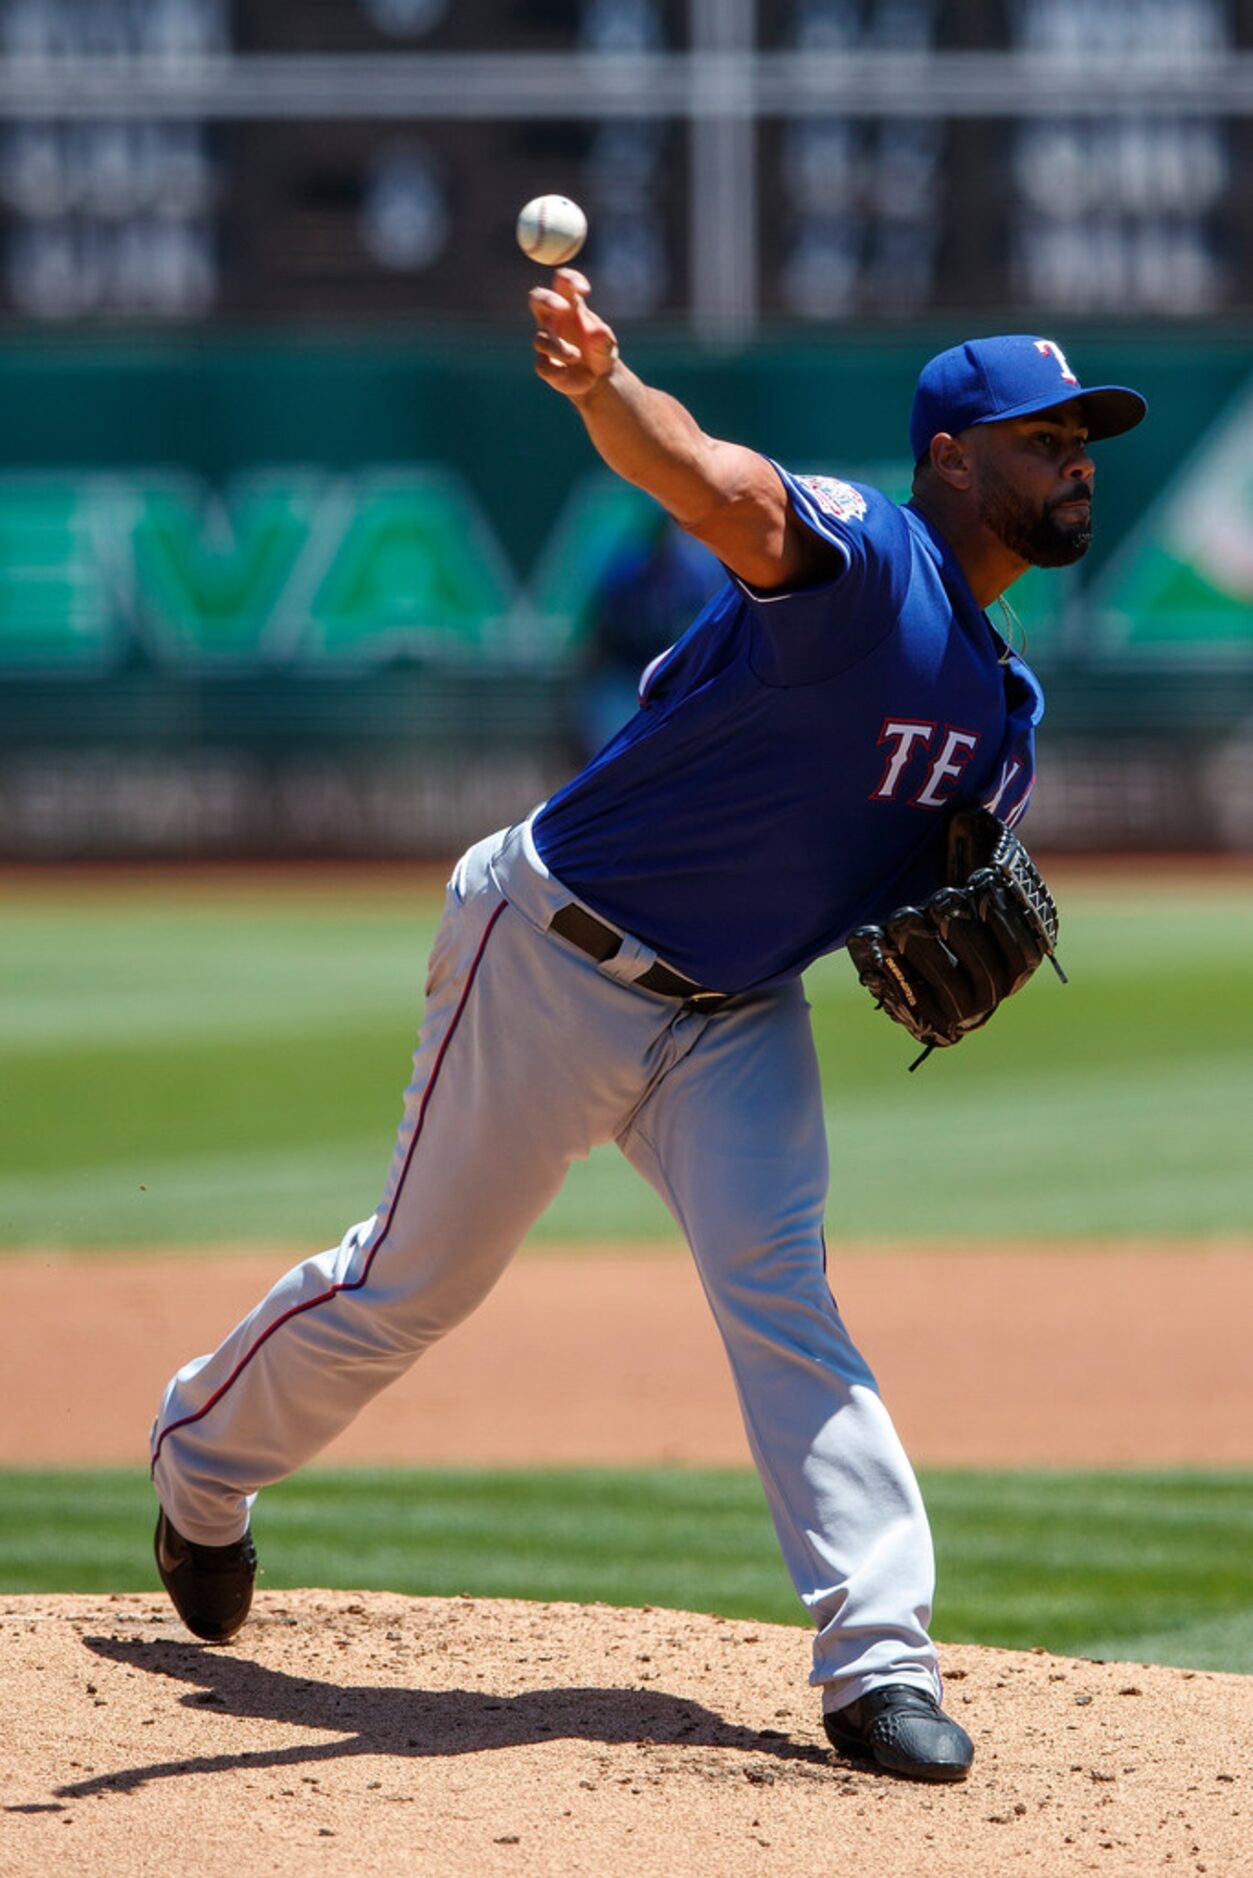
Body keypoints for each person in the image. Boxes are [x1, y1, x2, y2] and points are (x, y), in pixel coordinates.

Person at [150, 274, 1146, 1784]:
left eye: (1085, 435)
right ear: (949, 454)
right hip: (548, 950)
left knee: (783, 1291)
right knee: (412, 1284)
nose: (1075, 455)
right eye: (1040, 434)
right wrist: (606, 393)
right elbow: (711, 480)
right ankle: (198, 1462)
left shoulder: (1005, 710)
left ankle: (877, 1661)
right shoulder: (867, 558)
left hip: (731, 1014)